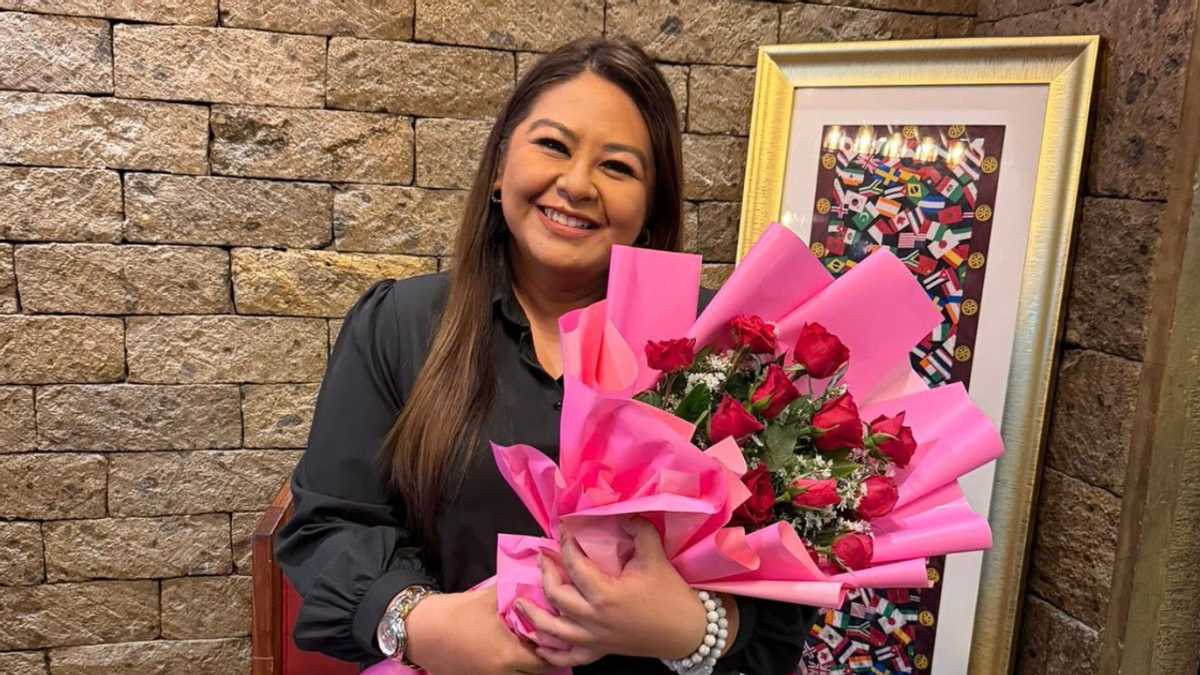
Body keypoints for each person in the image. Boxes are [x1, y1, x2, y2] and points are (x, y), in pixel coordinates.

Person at [276, 37, 813, 675]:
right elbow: (330, 523)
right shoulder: (399, 324)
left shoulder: (718, 348)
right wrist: (421, 621)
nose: (577, 184)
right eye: (554, 145)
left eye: (618, 167)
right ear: (499, 167)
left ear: (650, 207)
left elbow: (787, 582)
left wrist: (693, 627)